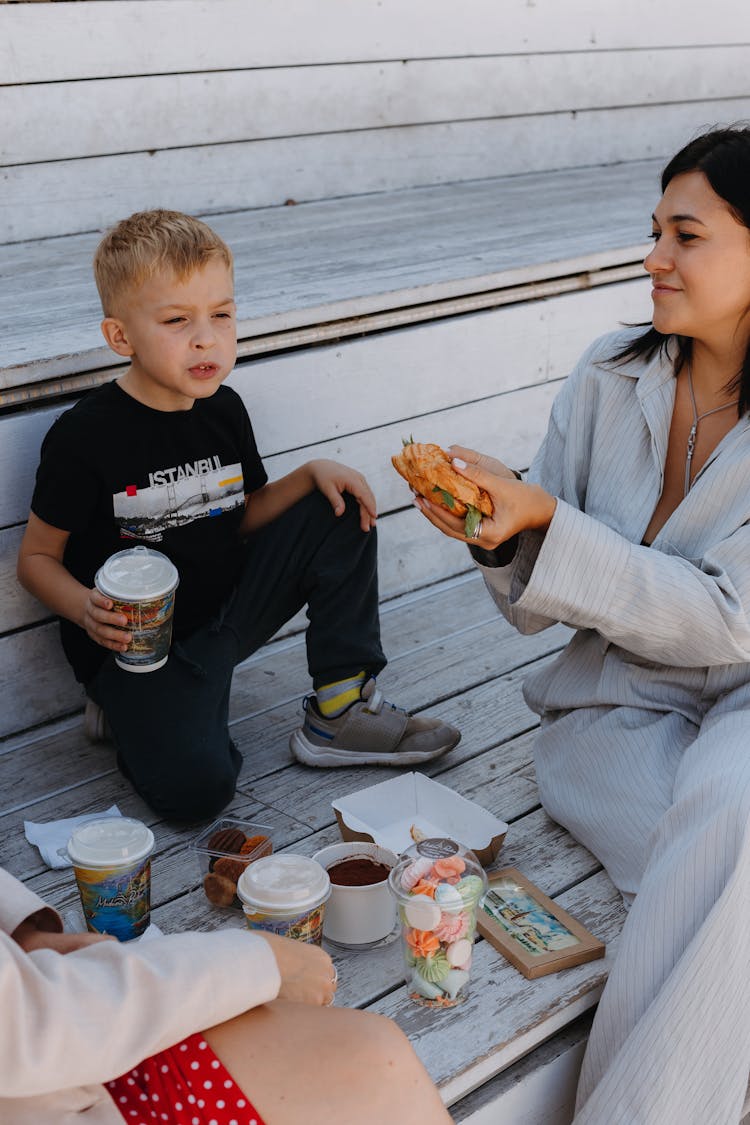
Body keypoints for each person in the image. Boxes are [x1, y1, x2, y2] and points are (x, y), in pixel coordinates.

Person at [413, 124, 750, 1124]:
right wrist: (497, 533)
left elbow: (731, 619)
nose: (653, 259)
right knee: (721, 883)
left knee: (733, 828)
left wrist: (551, 522)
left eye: (684, 235)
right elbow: (530, 603)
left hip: (743, 696)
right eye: (655, 231)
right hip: (611, 704)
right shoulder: (609, 373)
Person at [16, 210, 459, 823]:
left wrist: (307, 477)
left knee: (338, 505)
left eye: (221, 314)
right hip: (140, 647)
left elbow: (240, 516)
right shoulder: (85, 436)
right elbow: (36, 559)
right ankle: (126, 708)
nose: (207, 338)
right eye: (177, 321)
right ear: (121, 337)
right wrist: (85, 610)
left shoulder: (222, 408)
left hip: (226, 614)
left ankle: (338, 712)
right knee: (198, 795)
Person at [0, 866, 452, 1125]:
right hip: (48, 1084)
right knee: (377, 1059)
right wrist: (264, 960)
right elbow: (26, 1030)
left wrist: (21, 932)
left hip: (52, 1030)